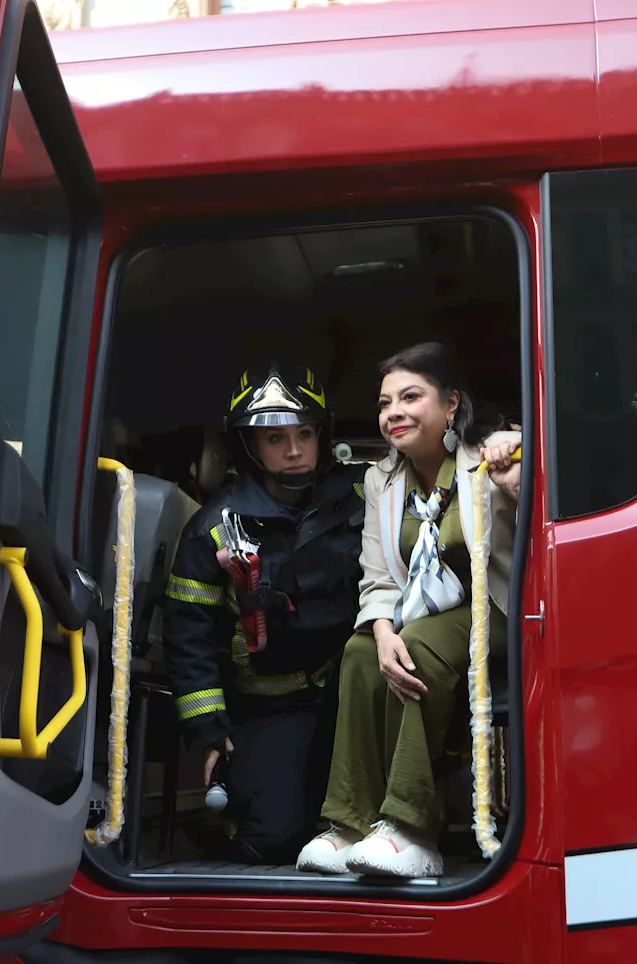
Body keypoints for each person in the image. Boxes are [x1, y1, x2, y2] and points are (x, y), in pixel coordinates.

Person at [296, 341, 520, 879]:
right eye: (384, 402)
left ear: (450, 404)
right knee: (357, 652)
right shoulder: (381, 479)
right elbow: (376, 576)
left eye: (410, 396)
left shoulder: (490, 455)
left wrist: (518, 464)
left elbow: (545, 484)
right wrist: (379, 631)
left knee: (418, 647)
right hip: (418, 619)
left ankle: (412, 827)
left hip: (498, 613)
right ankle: (350, 823)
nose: (392, 411)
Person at [163, 362, 365, 864]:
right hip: (272, 708)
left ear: (323, 436)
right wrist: (208, 728)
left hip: (356, 700)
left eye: (304, 434)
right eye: (275, 439)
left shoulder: (363, 499)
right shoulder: (213, 529)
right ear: (248, 446)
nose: (294, 450)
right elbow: (189, 635)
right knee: (273, 843)